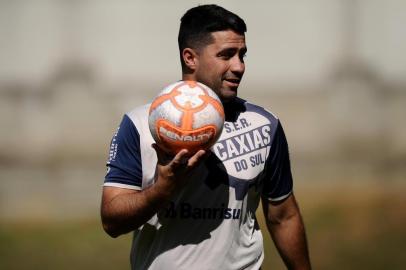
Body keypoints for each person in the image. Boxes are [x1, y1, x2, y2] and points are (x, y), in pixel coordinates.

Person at [101, 4, 311, 270]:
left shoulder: (263, 124)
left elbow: (284, 216)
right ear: (190, 58)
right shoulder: (140, 124)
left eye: (242, 55)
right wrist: (161, 191)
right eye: (226, 55)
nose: (239, 66)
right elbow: (111, 221)